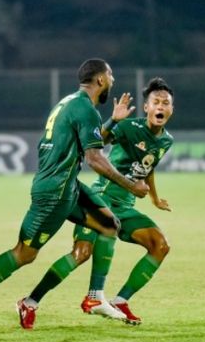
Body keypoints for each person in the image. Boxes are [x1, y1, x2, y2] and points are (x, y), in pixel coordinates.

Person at [0, 58, 150, 334]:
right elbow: (94, 158)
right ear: (101, 80)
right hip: (54, 194)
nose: (113, 80)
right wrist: (131, 185)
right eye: (111, 75)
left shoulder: (69, 103)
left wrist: (113, 121)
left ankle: (95, 296)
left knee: (109, 225)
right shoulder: (85, 109)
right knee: (24, 254)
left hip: (68, 186)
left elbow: (84, 143)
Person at [17, 77, 175, 328]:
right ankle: (30, 302)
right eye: (156, 101)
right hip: (100, 199)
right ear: (146, 107)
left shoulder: (166, 140)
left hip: (125, 206)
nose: (161, 106)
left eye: (166, 103)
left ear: (171, 109)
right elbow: (96, 141)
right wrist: (113, 120)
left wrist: (155, 198)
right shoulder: (129, 127)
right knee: (81, 253)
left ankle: (121, 300)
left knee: (160, 245)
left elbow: (148, 166)